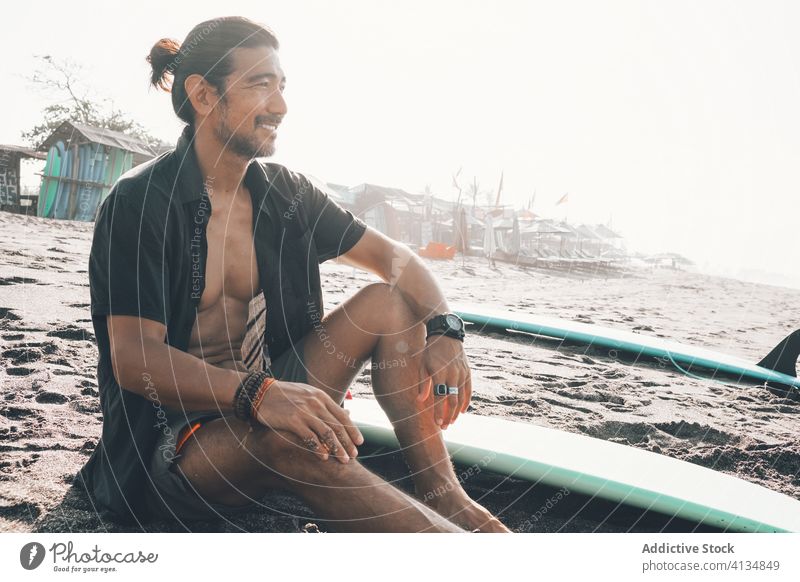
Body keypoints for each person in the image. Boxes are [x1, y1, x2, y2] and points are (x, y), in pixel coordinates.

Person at [73, 16, 509, 533]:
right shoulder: (139, 201)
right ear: (204, 95)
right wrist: (257, 394)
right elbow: (134, 359)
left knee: (389, 305)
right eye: (260, 85)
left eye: (282, 86)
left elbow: (397, 259)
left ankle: (448, 498)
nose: (280, 105)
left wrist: (445, 328)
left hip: (269, 394)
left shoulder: (288, 194)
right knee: (285, 441)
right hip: (176, 443)